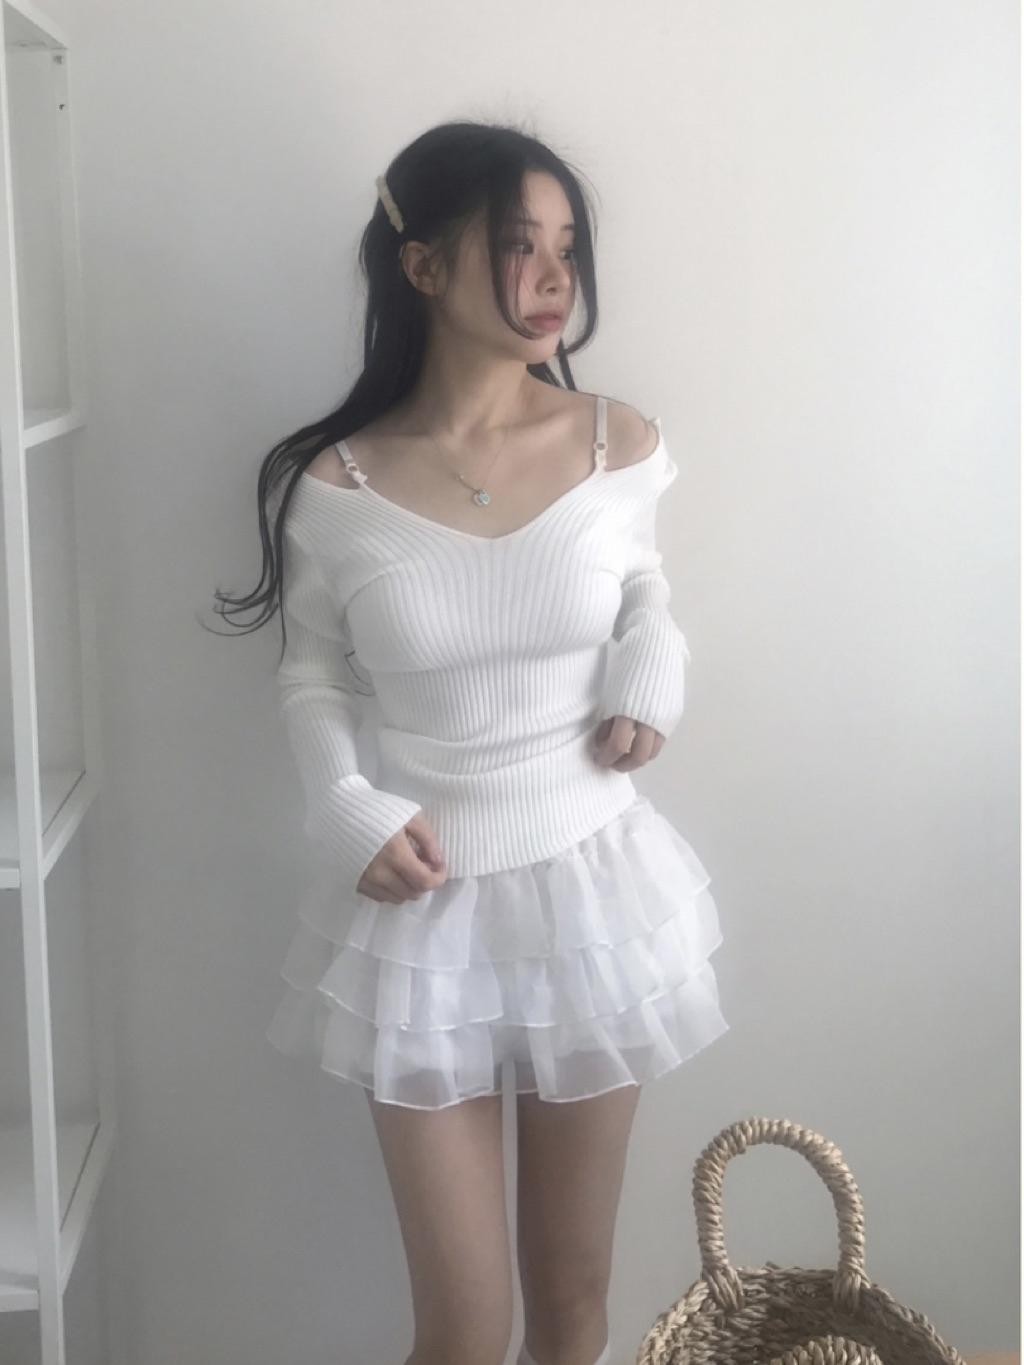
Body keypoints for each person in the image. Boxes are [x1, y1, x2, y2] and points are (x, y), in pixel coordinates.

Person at [212, 120, 729, 1365]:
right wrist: (343, 804)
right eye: (518, 245)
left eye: (567, 248)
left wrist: (654, 656)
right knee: (462, 1326)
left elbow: (643, 584)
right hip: (422, 914)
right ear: (423, 265)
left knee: (571, 1301)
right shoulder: (332, 486)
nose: (554, 278)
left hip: (593, 895)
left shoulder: (617, 444)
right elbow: (312, 671)